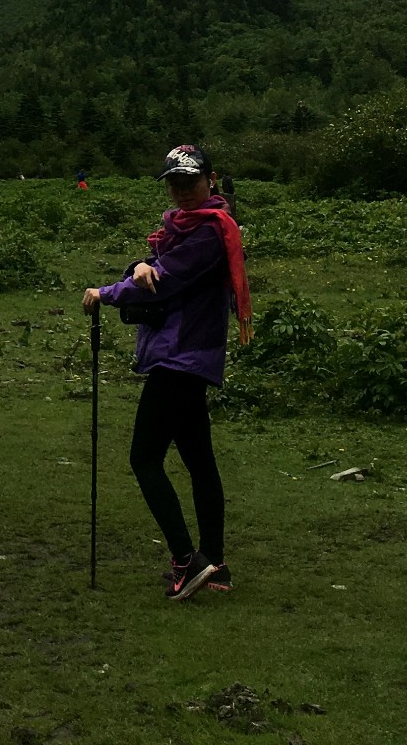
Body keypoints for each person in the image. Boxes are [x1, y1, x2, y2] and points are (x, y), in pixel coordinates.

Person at [83, 144, 252, 600]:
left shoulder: (209, 233)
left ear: (210, 180)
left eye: (189, 181)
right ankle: (215, 565)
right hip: (189, 358)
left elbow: (165, 281)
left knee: (144, 458)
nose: (180, 190)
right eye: (174, 182)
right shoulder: (184, 229)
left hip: (181, 358)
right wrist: (139, 265)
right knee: (199, 462)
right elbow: (155, 268)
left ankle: (186, 560)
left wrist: (105, 291)